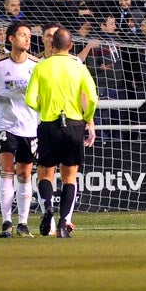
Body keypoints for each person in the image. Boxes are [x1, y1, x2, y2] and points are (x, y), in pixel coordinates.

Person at [24, 26, 99, 239]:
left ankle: (48, 207)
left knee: (45, 174)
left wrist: (44, 109)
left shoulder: (41, 67)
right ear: (71, 45)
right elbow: (92, 98)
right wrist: (87, 118)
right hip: (74, 125)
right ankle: (65, 223)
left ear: (52, 45)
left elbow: (29, 99)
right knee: (70, 177)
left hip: (49, 124)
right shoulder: (79, 67)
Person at [0, 21, 39, 238]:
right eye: (23, 35)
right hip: (4, 125)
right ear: (11, 39)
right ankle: (6, 222)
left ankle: (23, 222)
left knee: (24, 173)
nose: (27, 39)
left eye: (29, 35)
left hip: (29, 126)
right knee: (7, 169)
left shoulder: (36, 64)